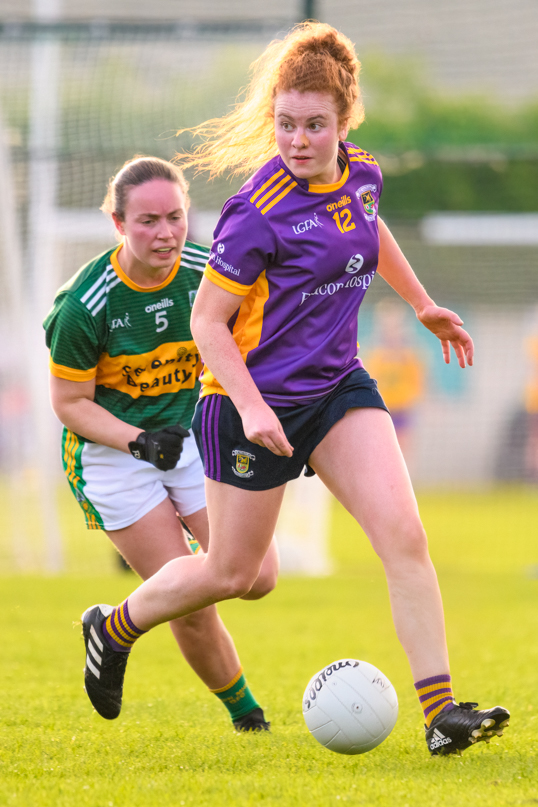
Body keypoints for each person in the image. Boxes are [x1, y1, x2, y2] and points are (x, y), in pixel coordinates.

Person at [77, 25, 509, 755]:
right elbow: (206, 322)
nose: (299, 140)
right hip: (245, 402)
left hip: (338, 388)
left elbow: (372, 232)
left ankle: (440, 714)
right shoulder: (256, 211)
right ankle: (113, 626)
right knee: (236, 573)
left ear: (345, 123)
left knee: (405, 536)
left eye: (315, 125)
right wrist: (251, 406)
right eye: (285, 124)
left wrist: (420, 301)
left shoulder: (363, 173)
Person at [44, 155, 279, 731]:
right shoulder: (83, 306)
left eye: (175, 217)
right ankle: (249, 719)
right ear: (119, 224)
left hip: (192, 437)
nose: (165, 233)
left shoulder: (209, 272)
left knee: (256, 576)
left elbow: (254, 347)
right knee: (189, 599)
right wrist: (139, 441)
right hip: (112, 455)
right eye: (148, 221)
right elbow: (69, 405)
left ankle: (114, 623)